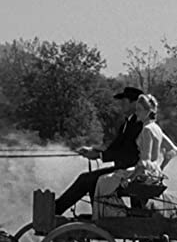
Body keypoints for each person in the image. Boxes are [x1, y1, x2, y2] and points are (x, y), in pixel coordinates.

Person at [53, 86, 145, 215]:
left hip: (130, 171)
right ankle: (98, 213)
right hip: (123, 168)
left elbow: (127, 152)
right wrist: (93, 150)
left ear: (135, 103)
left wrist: (99, 156)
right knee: (88, 179)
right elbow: (115, 147)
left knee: (87, 179)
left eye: (124, 102)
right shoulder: (128, 123)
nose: (121, 105)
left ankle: (55, 210)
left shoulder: (138, 124)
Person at [93, 93, 177, 217]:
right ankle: (119, 212)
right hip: (153, 174)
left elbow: (144, 162)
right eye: (136, 110)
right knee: (108, 180)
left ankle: (117, 214)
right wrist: (159, 169)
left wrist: (130, 178)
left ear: (148, 111)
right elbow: (172, 151)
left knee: (102, 181)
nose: (137, 113)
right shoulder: (156, 128)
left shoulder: (146, 130)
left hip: (143, 174)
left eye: (139, 110)